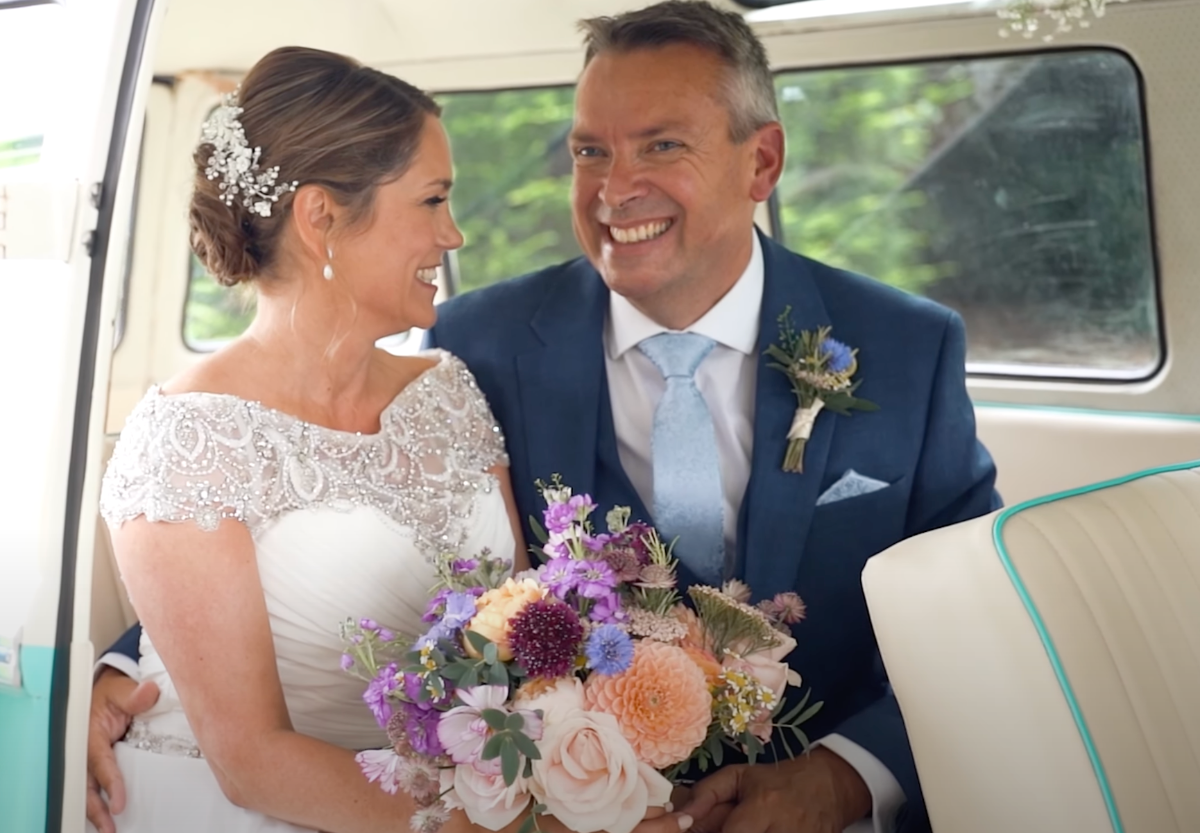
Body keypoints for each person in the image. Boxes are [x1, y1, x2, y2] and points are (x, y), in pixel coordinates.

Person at [89, 4, 999, 832]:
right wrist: (132, 664)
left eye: (661, 146)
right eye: (589, 151)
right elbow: (252, 536)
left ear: (761, 162)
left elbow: (979, 613)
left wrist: (843, 778)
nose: (614, 188)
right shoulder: (480, 343)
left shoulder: (907, 348)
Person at [88, 46, 688, 833]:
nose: (454, 234)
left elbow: (524, 634)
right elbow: (249, 760)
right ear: (321, 217)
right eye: (432, 200)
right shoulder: (187, 438)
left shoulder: (446, 390)